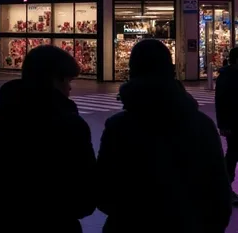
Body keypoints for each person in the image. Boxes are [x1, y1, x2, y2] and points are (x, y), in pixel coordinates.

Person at [0, 45, 96, 232]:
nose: (70, 88)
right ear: (55, 80)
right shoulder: (69, 126)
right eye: (68, 80)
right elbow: (85, 195)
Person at [97, 39, 231, 233]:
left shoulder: (119, 126)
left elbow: (104, 192)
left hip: (130, 224)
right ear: (171, 70)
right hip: (188, 224)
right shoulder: (201, 124)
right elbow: (218, 190)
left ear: (132, 71)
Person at [216, 46, 238, 202]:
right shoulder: (227, 77)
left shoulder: (231, 75)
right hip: (233, 123)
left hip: (233, 121)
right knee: (233, 154)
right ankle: (225, 187)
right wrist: (223, 125)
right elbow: (221, 102)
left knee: (233, 154)